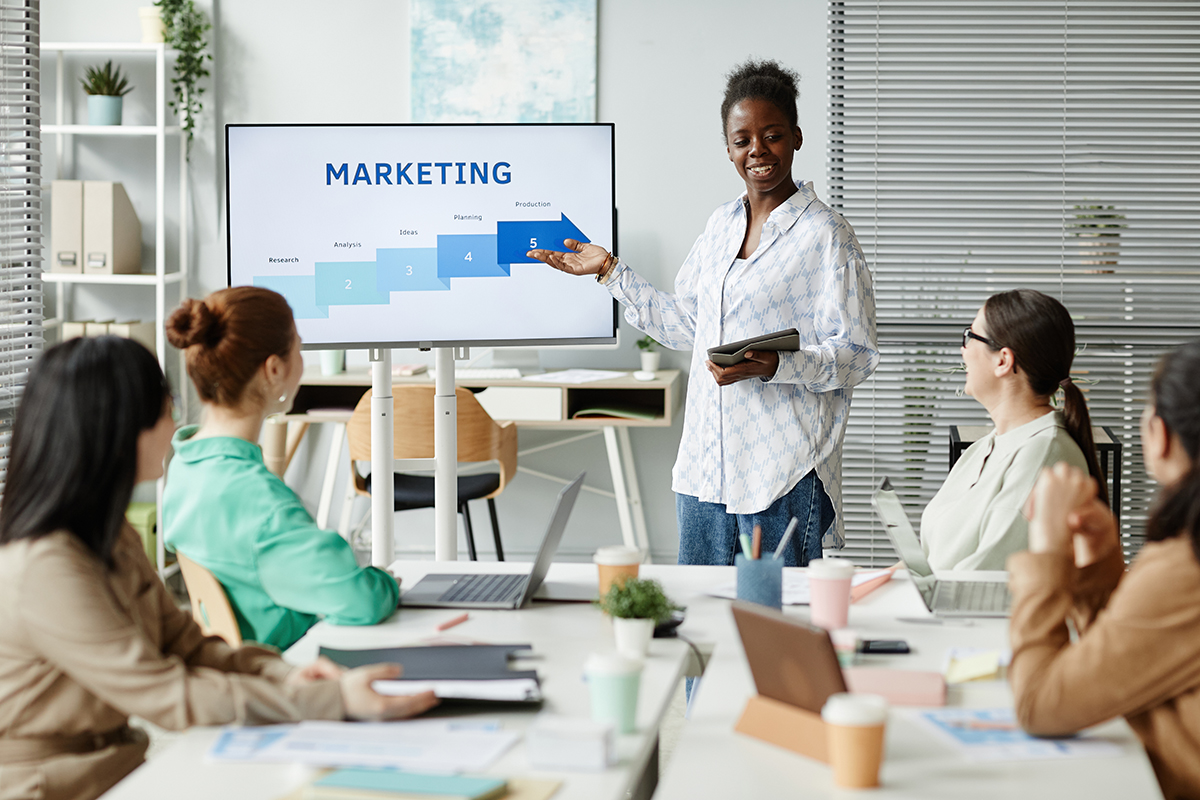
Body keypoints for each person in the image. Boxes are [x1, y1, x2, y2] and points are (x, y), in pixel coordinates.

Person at [0, 337, 437, 800]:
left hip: (117, 766)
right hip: (50, 785)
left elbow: (188, 647)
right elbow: (166, 694)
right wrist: (333, 700)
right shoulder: (46, 566)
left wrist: (285, 675)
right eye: (165, 410)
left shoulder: (110, 536)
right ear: (120, 430)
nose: (174, 426)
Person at [527, 59, 879, 566]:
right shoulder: (719, 225)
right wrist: (608, 271)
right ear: (729, 148)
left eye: (773, 135)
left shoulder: (827, 235)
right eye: (742, 140)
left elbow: (858, 354)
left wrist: (777, 366)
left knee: (772, 630)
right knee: (698, 622)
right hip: (703, 471)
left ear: (797, 138)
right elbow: (686, 327)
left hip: (779, 473)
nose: (757, 150)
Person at [1009, 339, 1200, 800]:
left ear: (1160, 433)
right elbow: (1132, 658)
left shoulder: (1184, 568)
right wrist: (1101, 565)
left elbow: (1038, 704)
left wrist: (1048, 547)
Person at [163, 287, 398, 650]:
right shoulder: (261, 503)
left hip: (233, 664)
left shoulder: (185, 465)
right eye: (300, 349)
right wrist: (386, 582)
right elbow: (361, 601)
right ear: (273, 369)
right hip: (284, 669)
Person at [919, 289, 1107, 570]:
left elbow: (982, 581)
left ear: (1003, 360)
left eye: (970, 337)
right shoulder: (982, 450)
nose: (963, 349)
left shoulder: (1043, 456)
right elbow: (930, 561)